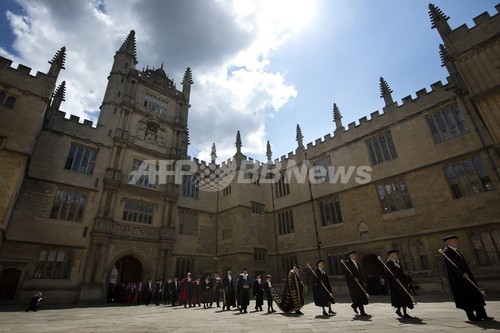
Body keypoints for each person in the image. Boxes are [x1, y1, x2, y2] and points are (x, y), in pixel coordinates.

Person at [442, 235, 493, 321]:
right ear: (448, 242)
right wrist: (461, 273)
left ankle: (482, 315)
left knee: (476, 294)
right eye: (454, 241)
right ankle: (471, 316)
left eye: (455, 240)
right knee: (466, 296)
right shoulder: (447, 252)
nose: (456, 242)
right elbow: (451, 267)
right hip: (460, 279)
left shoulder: (456, 250)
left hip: (467, 276)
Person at [385, 249, 414, 318]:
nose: (396, 255)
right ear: (391, 256)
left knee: (405, 297)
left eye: (396, 254)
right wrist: (395, 279)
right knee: (400, 298)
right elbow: (389, 274)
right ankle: (400, 311)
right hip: (395, 285)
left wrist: (406, 280)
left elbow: (401, 273)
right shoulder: (388, 264)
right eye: (394, 254)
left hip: (402, 282)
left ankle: (404, 313)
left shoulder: (398, 263)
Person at [343, 251, 369, 316]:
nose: (355, 256)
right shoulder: (347, 263)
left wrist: (363, 282)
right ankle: (359, 309)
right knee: (357, 296)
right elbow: (347, 272)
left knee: (361, 296)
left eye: (355, 255)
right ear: (350, 256)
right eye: (354, 255)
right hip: (353, 283)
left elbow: (360, 274)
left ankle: (358, 308)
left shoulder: (357, 263)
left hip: (359, 282)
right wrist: (353, 278)